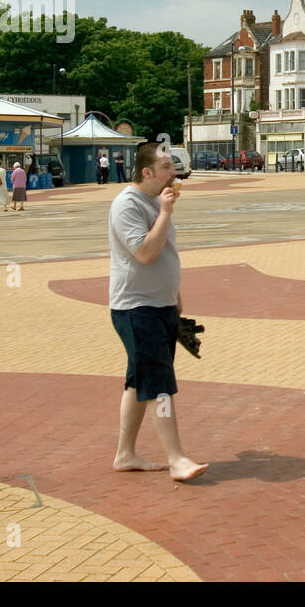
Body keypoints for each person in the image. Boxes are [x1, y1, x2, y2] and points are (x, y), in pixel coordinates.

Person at [109, 141, 207, 482]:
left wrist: (174, 294)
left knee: (139, 382)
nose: (174, 173)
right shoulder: (127, 205)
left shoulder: (154, 200)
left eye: (174, 166)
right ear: (147, 172)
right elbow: (146, 253)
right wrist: (165, 213)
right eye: (167, 167)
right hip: (136, 308)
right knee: (160, 383)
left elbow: (165, 252)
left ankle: (125, 454)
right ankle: (177, 458)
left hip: (160, 304)